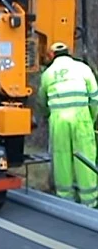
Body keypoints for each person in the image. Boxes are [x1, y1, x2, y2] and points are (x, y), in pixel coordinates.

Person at [37, 41, 98, 208]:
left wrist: (47, 116)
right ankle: (90, 203)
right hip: (81, 118)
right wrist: (91, 119)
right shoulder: (83, 68)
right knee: (85, 159)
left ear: (50, 55)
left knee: (62, 159)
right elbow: (94, 97)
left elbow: (42, 102)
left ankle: (66, 201)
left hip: (59, 121)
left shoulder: (48, 74)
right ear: (69, 52)